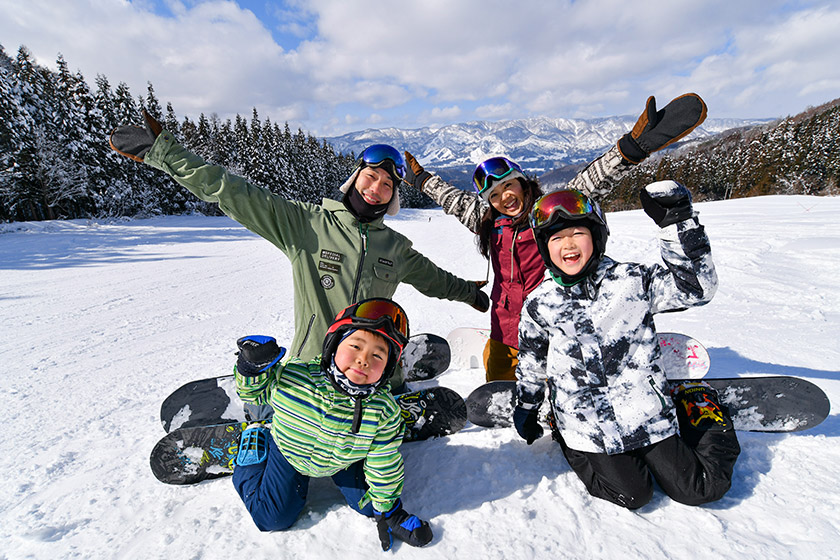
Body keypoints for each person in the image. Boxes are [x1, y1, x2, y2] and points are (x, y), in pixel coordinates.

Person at [109, 113, 489, 393]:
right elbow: (233, 191)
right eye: (370, 177)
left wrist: (470, 293)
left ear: (393, 197)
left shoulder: (395, 247)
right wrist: (167, 155)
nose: (376, 188)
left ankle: (393, 379)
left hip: (373, 378)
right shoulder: (305, 224)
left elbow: (433, 278)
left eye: (387, 184)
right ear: (355, 179)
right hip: (314, 369)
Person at [402, 93, 707, 382]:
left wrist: (630, 149)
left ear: (523, 183)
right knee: (498, 392)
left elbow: (591, 181)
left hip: (552, 327)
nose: (504, 198)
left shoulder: (548, 216)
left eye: (509, 186)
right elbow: (452, 199)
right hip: (503, 331)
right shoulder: (489, 223)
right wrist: (421, 180)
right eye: (494, 195)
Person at [512, 184, 740, 509]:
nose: (568, 245)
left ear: (597, 236)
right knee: (633, 495)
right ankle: (565, 437)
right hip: (586, 424)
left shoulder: (631, 282)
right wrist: (528, 405)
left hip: (643, 413)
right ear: (544, 247)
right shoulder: (541, 303)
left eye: (577, 233)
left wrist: (678, 222)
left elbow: (697, 288)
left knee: (698, 489)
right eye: (556, 238)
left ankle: (704, 412)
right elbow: (532, 362)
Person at [230, 297, 432, 550]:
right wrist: (251, 368)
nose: (363, 360)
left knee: (370, 505)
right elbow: (253, 394)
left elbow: (384, 461)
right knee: (272, 517)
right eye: (356, 346)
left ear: (388, 367)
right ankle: (255, 444)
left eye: (378, 355)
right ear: (333, 345)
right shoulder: (296, 377)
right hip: (288, 453)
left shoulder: (383, 411)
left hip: (342, 459)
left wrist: (389, 512)